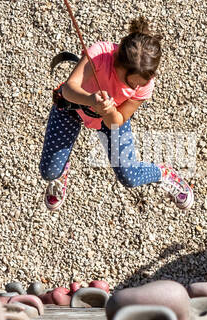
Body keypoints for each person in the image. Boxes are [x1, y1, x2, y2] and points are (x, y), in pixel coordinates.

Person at [40, 16, 194, 211]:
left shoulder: (145, 84)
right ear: (115, 61)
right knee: (49, 172)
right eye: (131, 83)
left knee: (129, 177)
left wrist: (109, 111)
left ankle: (163, 173)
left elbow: (119, 120)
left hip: (109, 118)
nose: (136, 86)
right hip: (72, 108)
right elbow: (69, 89)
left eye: (141, 83)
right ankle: (61, 174)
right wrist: (91, 100)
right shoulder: (99, 55)